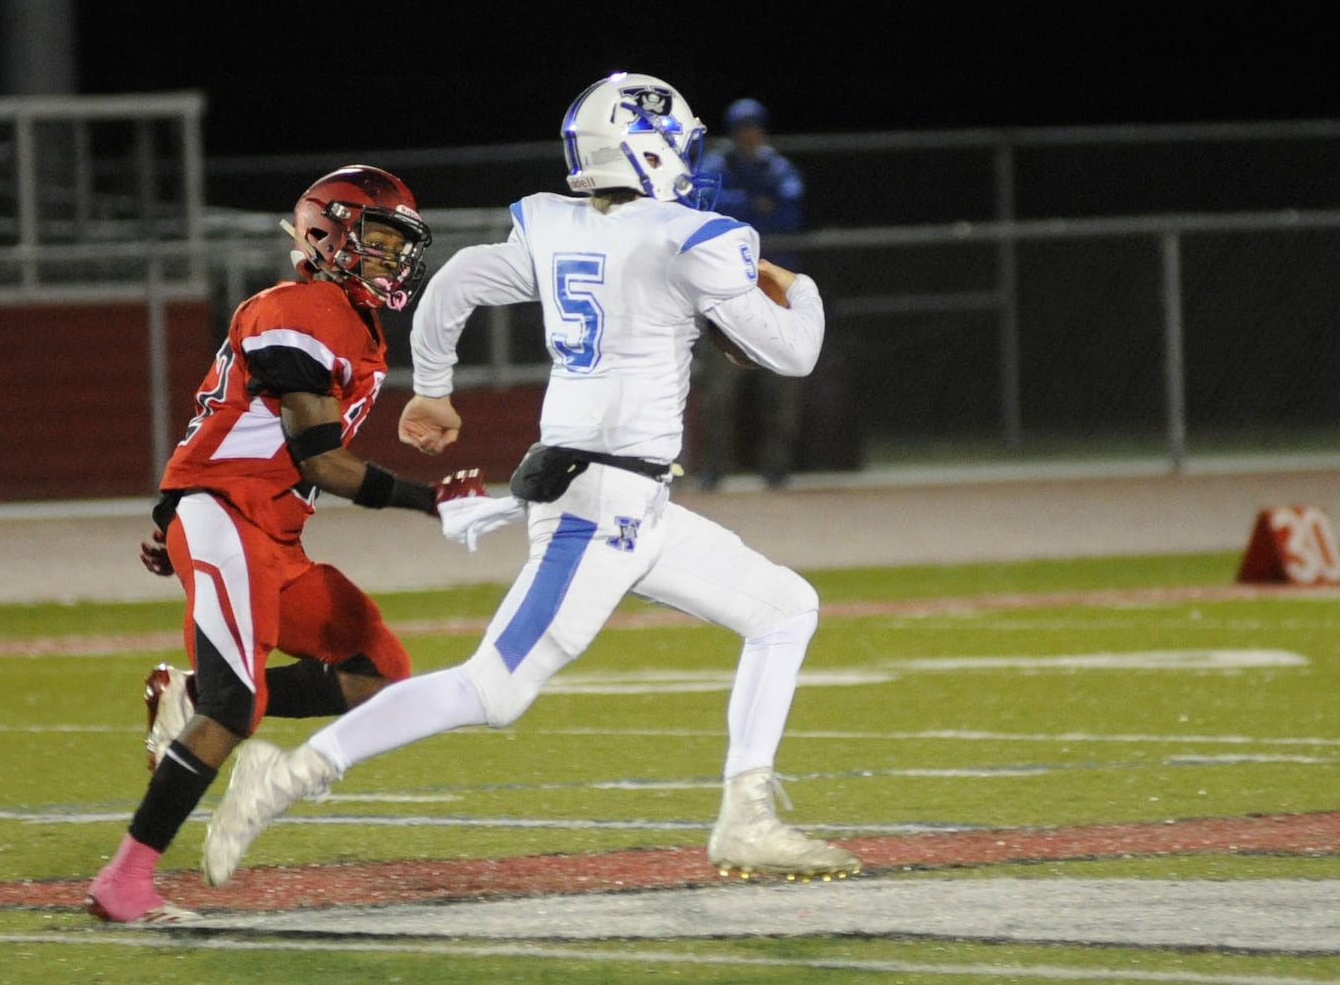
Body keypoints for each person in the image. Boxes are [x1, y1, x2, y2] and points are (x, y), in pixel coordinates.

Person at [201, 73, 861, 887]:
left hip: (631, 498)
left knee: (786, 607)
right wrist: (795, 281)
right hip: (598, 501)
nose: (691, 164)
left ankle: (746, 815)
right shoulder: (689, 237)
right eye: (680, 147)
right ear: (649, 147)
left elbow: (459, 282)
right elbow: (796, 351)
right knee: (494, 688)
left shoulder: (558, 224)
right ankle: (290, 772)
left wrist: (435, 388)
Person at [84, 165, 484, 924]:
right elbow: (322, 462)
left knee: (379, 670)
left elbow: (239, 428)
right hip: (228, 513)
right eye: (378, 239)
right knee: (239, 710)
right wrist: (433, 502)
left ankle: (190, 694)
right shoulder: (297, 308)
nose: (392, 257)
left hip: (265, 526)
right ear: (325, 232)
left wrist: (176, 514)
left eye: (399, 243)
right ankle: (124, 882)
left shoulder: (343, 317)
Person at [691, 98, 807, 489]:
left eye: (754, 128)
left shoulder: (779, 167)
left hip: (773, 296)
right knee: (719, 394)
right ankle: (714, 470)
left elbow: (789, 216)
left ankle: (776, 470)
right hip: (727, 296)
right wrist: (757, 206)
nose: (748, 136)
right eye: (742, 129)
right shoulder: (716, 166)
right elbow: (711, 212)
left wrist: (748, 212)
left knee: (780, 390)